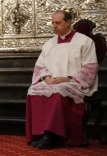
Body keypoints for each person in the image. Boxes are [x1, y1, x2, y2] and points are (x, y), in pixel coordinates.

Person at [26, 10, 98, 149]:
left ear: (68, 22)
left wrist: (68, 78)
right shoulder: (49, 44)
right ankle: (39, 134)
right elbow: (40, 66)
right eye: (52, 23)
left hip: (73, 82)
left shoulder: (85, 41)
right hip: (52, 82)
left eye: (58, 23)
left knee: (58, 91)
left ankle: (53, 135)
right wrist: (46, 78)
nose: (54, 26)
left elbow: (90, 68)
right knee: (33, 89)